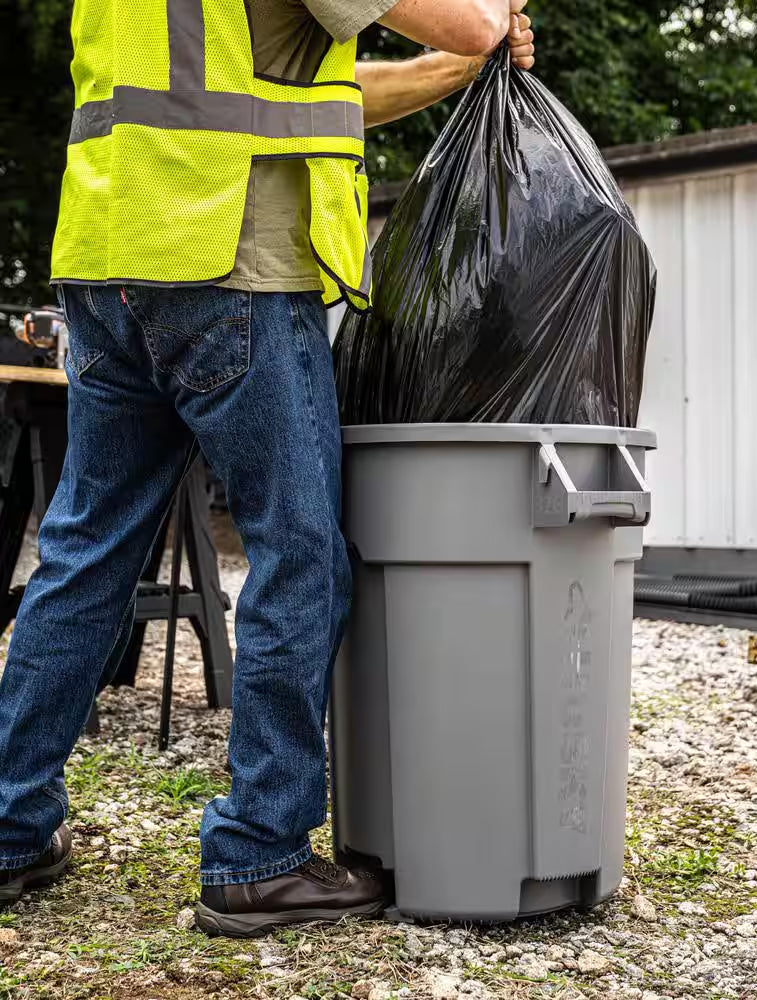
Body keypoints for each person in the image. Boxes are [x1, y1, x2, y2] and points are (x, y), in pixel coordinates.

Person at [0, 0, 534, 939]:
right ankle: (260, 858)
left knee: (84, 556)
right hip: (231, 263)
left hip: (111, 263)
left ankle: (7, 827)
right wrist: (495, 27)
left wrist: (455, 73)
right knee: (297, 556)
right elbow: (466, 22)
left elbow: (299, 97)